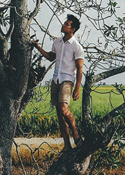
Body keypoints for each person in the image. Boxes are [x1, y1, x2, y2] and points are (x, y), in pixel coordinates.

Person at [32, 15, 85, 148]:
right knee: (60, 114)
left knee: (63, 108)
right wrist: (38, 47)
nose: (63, 25)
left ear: (72, 29)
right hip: (56, 80)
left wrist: (77, 89)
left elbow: (79, 69)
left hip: (67, 80)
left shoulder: (76, 47)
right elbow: (51, 57)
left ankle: (76, 133)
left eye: (66, 24)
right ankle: (67, 146)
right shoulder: (57, 42)